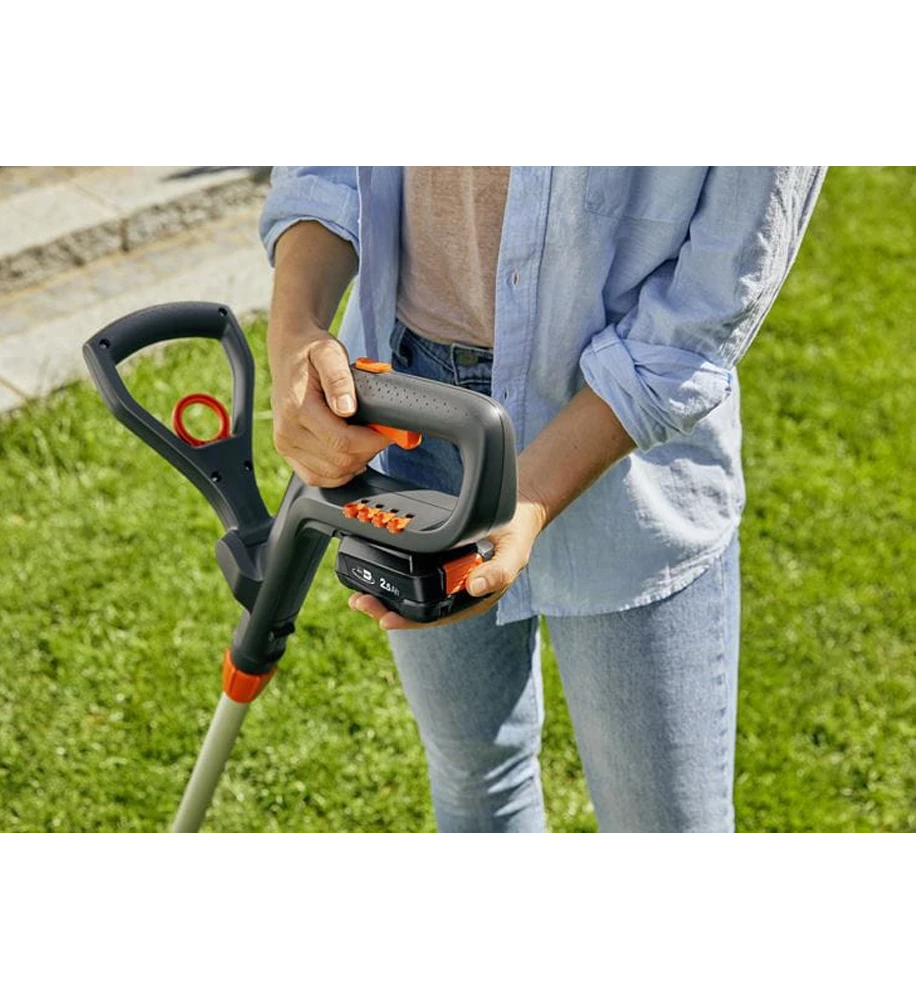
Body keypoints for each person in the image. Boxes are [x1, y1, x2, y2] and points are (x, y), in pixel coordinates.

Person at [258, 162, 827, 837]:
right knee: (476, 778)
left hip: (627, 443)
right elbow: (324, 172)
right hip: (418, 412)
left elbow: (713, 295)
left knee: (663, 824)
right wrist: (294, 332)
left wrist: (526, 498)